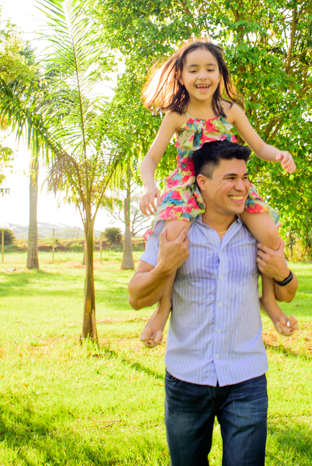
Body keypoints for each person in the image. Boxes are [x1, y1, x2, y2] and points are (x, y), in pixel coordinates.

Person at [128, 140, 299, 466]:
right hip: (186, 378)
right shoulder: (172, 228)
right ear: (202, 183)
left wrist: (284, 273)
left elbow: (287, 293)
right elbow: (136, 297)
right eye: (230, 178)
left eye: (245, 178)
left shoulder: (258, 230)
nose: (242, 186)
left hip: (246, 380)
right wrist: (164, 267)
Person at [138, 39, 297, 345]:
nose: (203, 76)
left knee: (269, 233)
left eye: (210, 69)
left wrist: (280, 155)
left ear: (220, 74)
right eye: (194, 69)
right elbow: (150, 159)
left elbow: (260, 146)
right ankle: (163, 308)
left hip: (227, 185)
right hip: (188, 185)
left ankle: (269, 300)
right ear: (181, 75)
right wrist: (150, 186)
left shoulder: (230, 111)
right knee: (173, 237)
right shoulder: (177, 115)